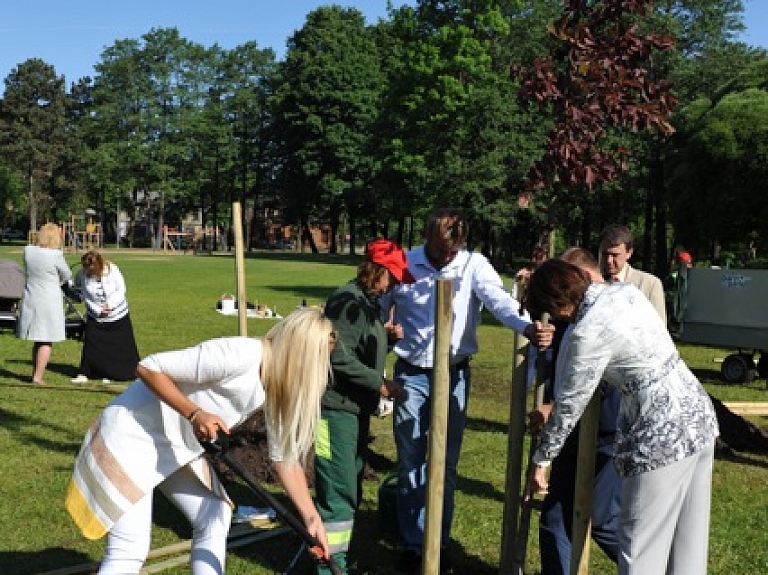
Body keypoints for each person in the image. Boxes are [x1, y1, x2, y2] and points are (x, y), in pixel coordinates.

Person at [65, 308, 336, 575]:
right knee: (130, 549)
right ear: (301, 355)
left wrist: (312, 520)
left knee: (214, 514)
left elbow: (285, 460)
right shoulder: (240, 355)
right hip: (130, 435)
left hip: (173, 446)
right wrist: (194, 413)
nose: (322, 371)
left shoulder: (277, 387)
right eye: (321, 361)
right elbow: (148, 367)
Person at [383, 208, 554, 573]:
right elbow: (381, 305)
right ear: (428, 237)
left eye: (452, 250)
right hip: (412, 374)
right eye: (440, 249)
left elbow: (499, 300)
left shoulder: (472, 264)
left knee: (444, 461)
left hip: (455, 374)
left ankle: (439, 543)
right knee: (412, 459)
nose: (446, 258)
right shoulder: (407, 262)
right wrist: (383, 333)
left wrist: (527, 328)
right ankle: (415, 545)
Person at [525, 259, 719, 575]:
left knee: (640, 550)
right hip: (698, 417)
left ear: (558, 307)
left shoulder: (587, 332)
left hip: (660, 433)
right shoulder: (625, 292)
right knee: (688, 549)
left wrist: (542, 460)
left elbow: (569, 405)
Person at [315, 238, 413, 574]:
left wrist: (387, 339)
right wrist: (381, 384)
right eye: (393, 276)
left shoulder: (366, 303)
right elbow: (337, 357)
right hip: (333, 410)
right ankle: (330, 566)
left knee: (349, 482)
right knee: (337, 490)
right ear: (377, 271)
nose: (396, 284)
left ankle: (336, 559)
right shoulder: (346, 302)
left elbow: (357, 351)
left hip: (353, 409)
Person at [533, 247, 620, 574]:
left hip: (608, 432)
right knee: (555, 517)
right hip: (571, 430)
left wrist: (554, 407)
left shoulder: (609, 311)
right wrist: (542, 337)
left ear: (579, 277)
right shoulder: (572, 313)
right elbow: (558, 353)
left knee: (602, 519)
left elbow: (600, 380)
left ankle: (658, 566)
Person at [71, 250, 140, 383]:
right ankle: (85, 373)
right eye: (86, 269)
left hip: (118, 314)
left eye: (91, 269)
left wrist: (110, 305)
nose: (89, 272)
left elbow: (121, 289)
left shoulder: (113, 270)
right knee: (92, 345)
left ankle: (122, 373)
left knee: (121, 346)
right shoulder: (82, 275)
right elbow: (83, 294)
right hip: (95, 317)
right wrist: (97, 310)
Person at [17, 222, 71, 384]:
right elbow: (67, 274)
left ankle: (36, 373)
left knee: (37, 337)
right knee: (46, 339)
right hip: (49, 299)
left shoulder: (28, 251)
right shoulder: (55, 255)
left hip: (31, 296)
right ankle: (38, 376)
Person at [598, 224, 666, 320]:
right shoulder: (593, 284)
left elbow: (659, 330)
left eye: (615, 255)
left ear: (629, 253)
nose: (609, 260)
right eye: (605, 254)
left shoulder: (649, 285)